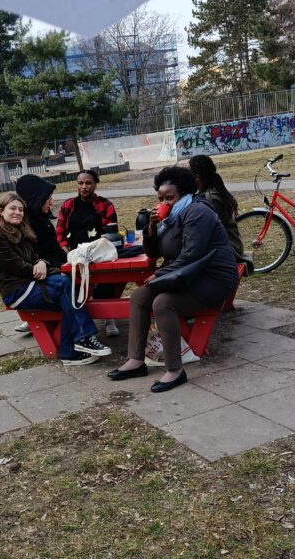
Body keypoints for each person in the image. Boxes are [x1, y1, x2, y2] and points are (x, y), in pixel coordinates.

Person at [107, 166, 238, 393]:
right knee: (139, 297)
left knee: (163, 303)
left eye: (170, 197)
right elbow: (154, 254)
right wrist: (152, 226)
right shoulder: (171, 217)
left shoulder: (197, 212)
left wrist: (159, 274)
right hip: (184, 275)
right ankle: (136, 361)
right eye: (160, 198)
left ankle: (175, 370)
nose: (164, 202)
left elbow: (192, 255)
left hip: (212, 277)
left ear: (185, 194)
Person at [0, 193, 111, 365]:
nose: (17, 212)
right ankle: (83, 338)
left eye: (20, 209)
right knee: (64, 285)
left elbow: (36, 258)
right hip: (17, 291)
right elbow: (20, 267)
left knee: (68, 296)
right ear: (1, 211)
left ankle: (70, 353)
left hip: (31, 283)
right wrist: (46, 269)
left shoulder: (21, 232)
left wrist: (42, 262)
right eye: (12, 208)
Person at [56, 169, 120, 337]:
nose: (84, 187)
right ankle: (79, 319)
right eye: (80, 183)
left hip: (99, 254)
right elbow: (60, 231)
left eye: (88, 183)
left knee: (106, 282)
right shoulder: (68, 205)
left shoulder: (105, 205)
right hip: (74, 255)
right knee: (73, 286)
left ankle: (110, 317)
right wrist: (65, 250)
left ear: (95, 184)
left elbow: (111, 233)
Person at [14, 174, 67, 334]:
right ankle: (36, 317)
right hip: (40, 276)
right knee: (70, 286)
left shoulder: (41, 219)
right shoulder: (27, 225)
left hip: (53, 268)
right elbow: (35, 258)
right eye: (47, 197)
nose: (51, 201)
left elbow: (54, 249)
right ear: (37, 199)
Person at [189, 154, 245, 263]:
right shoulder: (208, 191)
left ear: (197, 177)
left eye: (188, 173)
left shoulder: (210, 199)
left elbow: (204, 230)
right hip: (226, 245)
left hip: (230, 249)